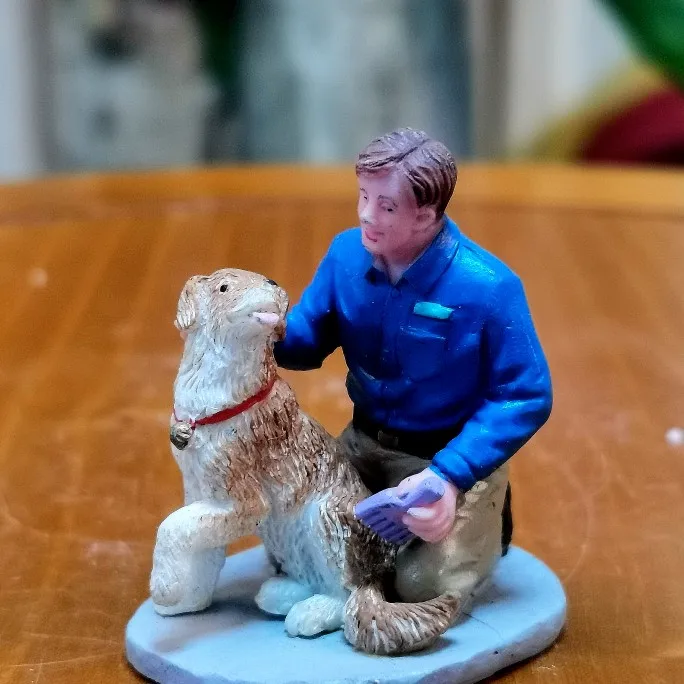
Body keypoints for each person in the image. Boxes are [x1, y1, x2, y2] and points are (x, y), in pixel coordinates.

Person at [274, 128, 552, 606]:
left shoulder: (489, 287)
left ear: (426, 214)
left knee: (419, 590)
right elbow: (307, 339)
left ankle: (482, 525)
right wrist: (267, 334)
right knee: (297, 544)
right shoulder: (345, 256)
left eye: (386, 206)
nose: (366, 214)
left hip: (445, 455)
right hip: (363, 441)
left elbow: (526, 393)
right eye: (363, 196)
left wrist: (451, 476)